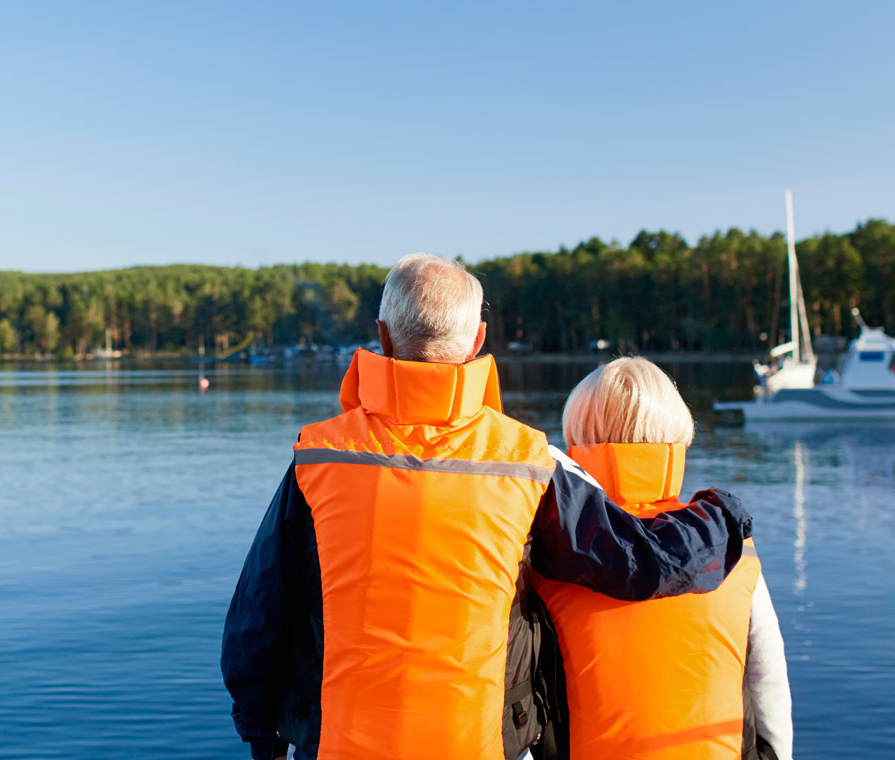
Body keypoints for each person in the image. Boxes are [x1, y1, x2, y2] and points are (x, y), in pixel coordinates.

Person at [221, 254, 754, 760]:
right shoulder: (525, 464)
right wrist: (725, 514)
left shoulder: (319, 458)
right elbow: (643, 564)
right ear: (477, 341)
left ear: (382, 336)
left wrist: (262, 736)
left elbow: (255, 624)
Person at [530, 357, 793, 760]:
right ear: (677, 441)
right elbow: (768, 683)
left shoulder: (546, 557)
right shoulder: (729, 548)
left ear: (576, 448)